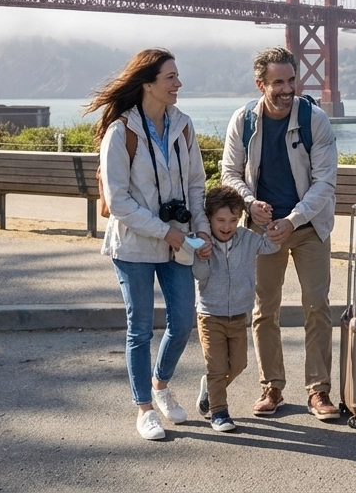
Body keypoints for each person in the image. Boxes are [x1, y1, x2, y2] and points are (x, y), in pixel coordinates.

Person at [88, 48, 211, 441]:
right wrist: (165, 231)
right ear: (148, 84)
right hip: (134, 245)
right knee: (139, 329)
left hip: (178, 240)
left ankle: (160, 384)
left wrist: (201, 229)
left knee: (183, 321)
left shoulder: (183, 126)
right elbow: (119, 201)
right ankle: (144, 408)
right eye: (170, 77)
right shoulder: (120, 131)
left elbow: (196, 185)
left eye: (177, 76)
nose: (178, 83)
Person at [221, 47, 340, 420]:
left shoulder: (314, 119)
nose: (288, 89)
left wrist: (294, 218)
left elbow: (325, 182)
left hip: (309, 227)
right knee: (264, 310)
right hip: (262, 230)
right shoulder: (243, 121)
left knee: (317, 306)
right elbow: (230, 173)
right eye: (278, 83)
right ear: (261, 84)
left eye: (292, 80)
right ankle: (271, 388)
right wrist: (249, 202)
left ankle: (319, 391)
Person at [192, 185, 280, 432]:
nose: (227, 226)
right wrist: (201, 256)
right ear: (209, 218)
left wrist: (267, 223)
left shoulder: (247, 238)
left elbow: (271, 246)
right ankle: (219, 412)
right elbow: (199, 275)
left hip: (239, 314)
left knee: (239, 364)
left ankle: (210, 389)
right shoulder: (203, 242)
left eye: (233, 220)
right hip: (210, 315)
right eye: (220, 220)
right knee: (217, 368)